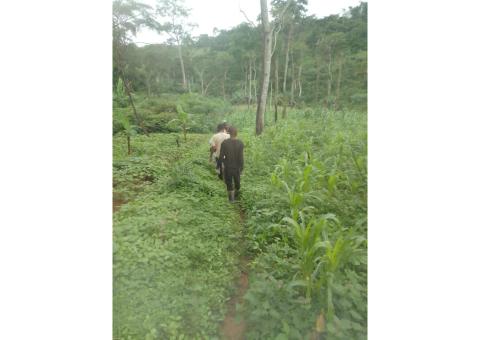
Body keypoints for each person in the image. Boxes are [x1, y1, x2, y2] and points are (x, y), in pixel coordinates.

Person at [219, 126, 244, 202]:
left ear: (229, 133)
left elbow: (221, 156)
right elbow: (241, 157)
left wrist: (220, 166)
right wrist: (242, 167)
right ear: (236, 133)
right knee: (237, 183)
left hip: (228, 167)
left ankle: (231, 200)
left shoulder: (225, 143)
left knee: (229, 182)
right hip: (237, 167)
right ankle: (236, 196)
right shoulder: (240, 143)